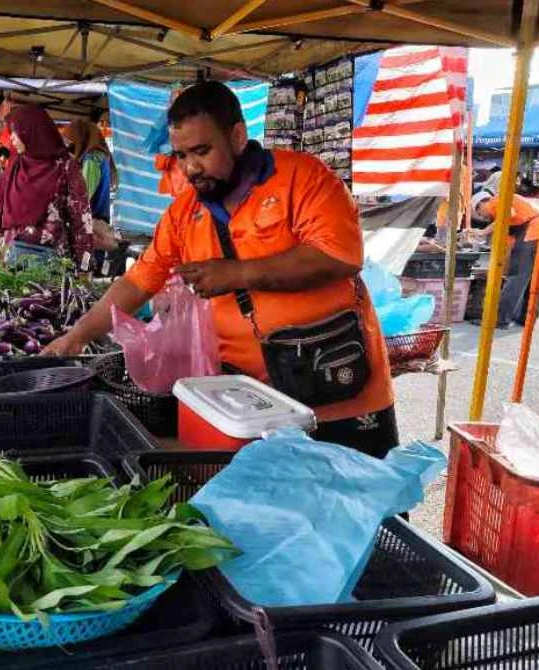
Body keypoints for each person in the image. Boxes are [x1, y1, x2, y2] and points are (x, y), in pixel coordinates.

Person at [46, 81, 397, 457]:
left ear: (238, 136)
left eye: (202, 150)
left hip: (342, 391)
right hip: (249, 406)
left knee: (365, 508)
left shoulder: (304, 177)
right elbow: (137, 282)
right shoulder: (184, 213)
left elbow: (339, 257)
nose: (191, 168)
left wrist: (237, 273)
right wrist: (78, 335)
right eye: (181, 156)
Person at [0, 105, 94, 270]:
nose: (12, 139)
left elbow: (80, 219)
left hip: (50, 265)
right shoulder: (15, 165)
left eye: (16, 132)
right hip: (9, 262)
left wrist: (84, 266)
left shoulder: (65, 166)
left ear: (32, 131)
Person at [472, 186, 539, 328]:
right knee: (538, 279)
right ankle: (527, 319)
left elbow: (507, 215)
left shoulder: (496, 201)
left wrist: (483, 232)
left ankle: (499, 319)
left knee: (517, 277)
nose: (484, 217)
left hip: (537, 231)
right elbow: (510, 247)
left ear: (482, 203)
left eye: (479, 213)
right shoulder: (516, 210)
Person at [63, 119, 117, 223]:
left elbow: (83, 194)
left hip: (93, 222)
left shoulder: (93, 159)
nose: (69, 144)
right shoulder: (99, 156)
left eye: (70, 140)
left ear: (80, 138)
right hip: (97, 221)